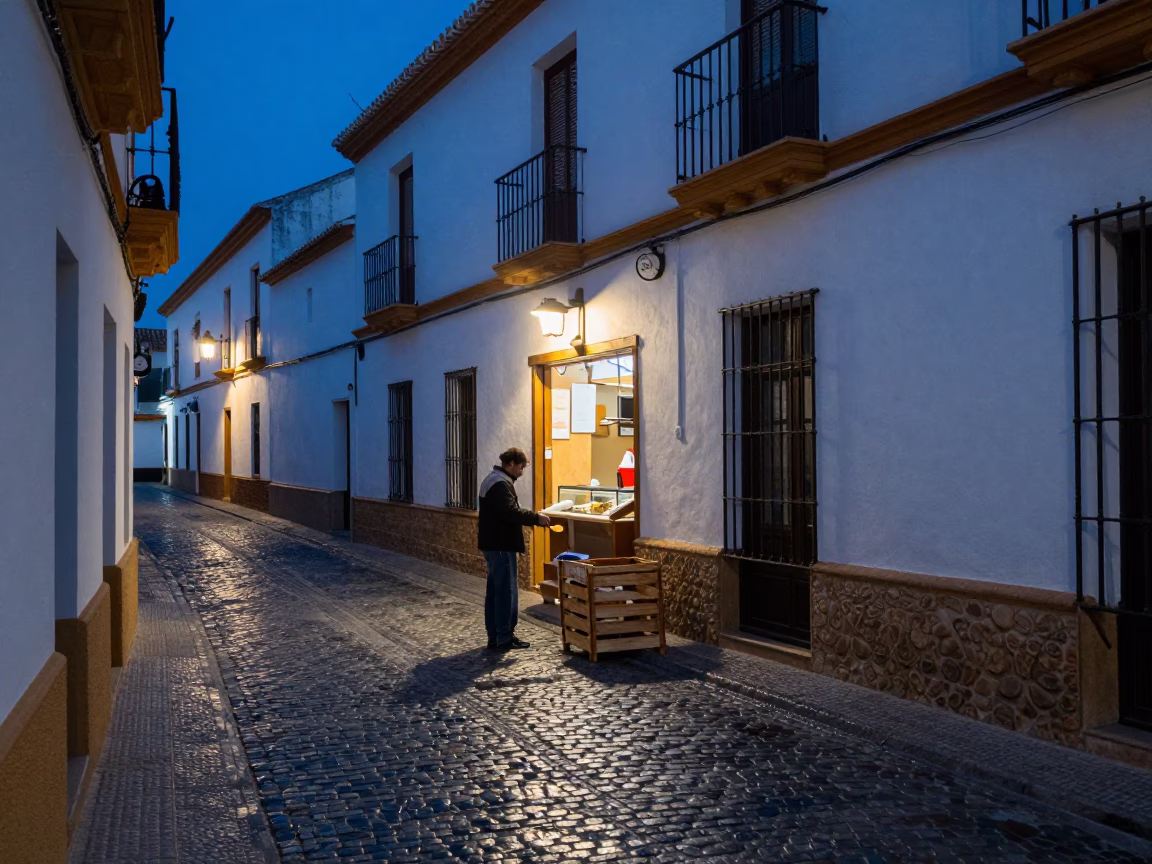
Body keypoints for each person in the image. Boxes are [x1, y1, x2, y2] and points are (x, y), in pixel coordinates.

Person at [478, 447, 551, 650]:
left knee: (494, 591)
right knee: (505, 592)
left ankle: (495, 635)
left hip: (492, 543)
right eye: (520, 467)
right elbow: (510, 512)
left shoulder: (493, 479)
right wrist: (536, 518)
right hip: (501, 544)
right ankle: (504, 636)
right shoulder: (500, 484)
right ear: (510, 464)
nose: (521, 471)